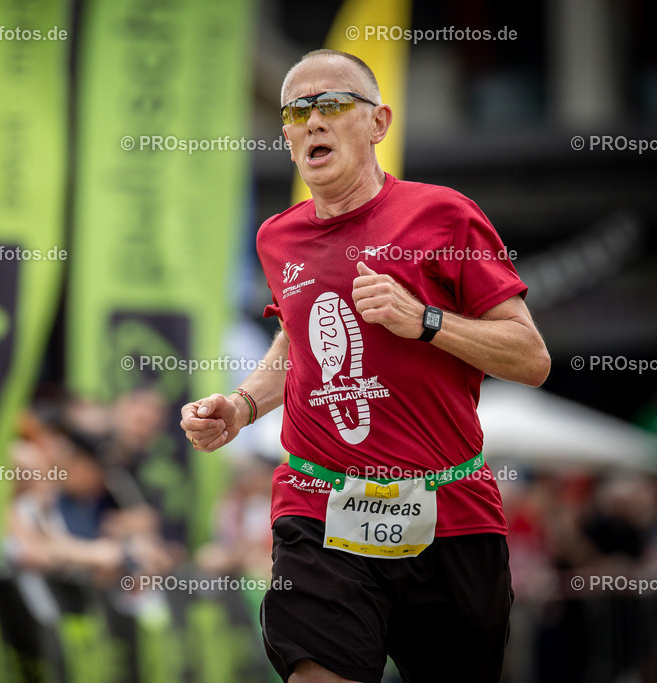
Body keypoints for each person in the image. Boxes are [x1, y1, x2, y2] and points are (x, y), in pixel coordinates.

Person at [180, 48, 551, 683]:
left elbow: (530, 357)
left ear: (379, 122)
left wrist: (425, 320)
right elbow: (296, 343)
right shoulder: (277, 237)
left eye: (332, 104)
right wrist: (240, 406)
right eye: (297, 111)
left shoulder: (444, 216)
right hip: (319, 507)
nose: (313, 122)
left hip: (450, 512)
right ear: (287, 136)